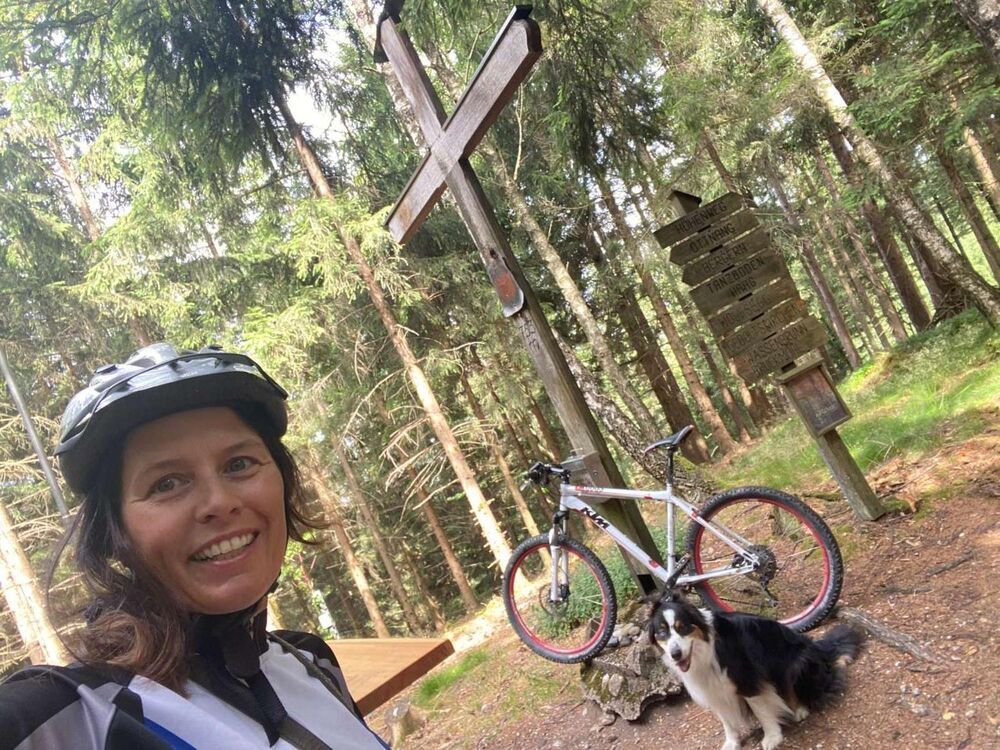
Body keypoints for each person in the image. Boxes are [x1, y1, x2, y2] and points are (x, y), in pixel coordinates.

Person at [0, 343, 390, 749]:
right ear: (114, 534)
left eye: (239, 464)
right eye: (166, 483)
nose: (219, 502)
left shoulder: (311, 660)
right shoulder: (69, 716)